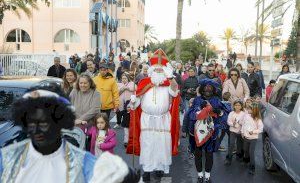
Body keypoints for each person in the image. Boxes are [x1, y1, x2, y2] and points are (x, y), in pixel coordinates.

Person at [0, 89, 140, 183]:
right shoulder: (7, 158)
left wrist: (125, 174)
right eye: (31, 124)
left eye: (43, 124)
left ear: (59, 123)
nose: (36, 130)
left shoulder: (82, 161)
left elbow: (115, 174)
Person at [127, 49, 180, 182]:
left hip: (163, 119)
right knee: (147, 144)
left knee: (162, 144)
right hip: (147, 119)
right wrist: (133, 101)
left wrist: (171, 77)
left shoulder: (168, 83)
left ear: (165, 71)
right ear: (151, 70)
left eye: (161, 70)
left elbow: (174, 91)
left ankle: (159, 168)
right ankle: (147, 170)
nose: (158, 72)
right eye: (156, 70)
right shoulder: (144, 83)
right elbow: (137, 101)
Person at [192, 79, 228, 183]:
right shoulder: (197, 100)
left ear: (213, 90)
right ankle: (199, 175)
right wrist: (200, 110)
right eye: (206, 88)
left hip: (211, 132)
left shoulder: (216, 100)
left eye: (210, 88)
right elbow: (192, 114)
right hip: (198, 132)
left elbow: (223, 114)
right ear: (202, 89)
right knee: (198, 154)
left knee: (209, 154)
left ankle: (207, 176)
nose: (208, 90)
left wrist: (219, 112)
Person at [241, 103, 263, 175]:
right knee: (245, 150)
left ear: (254, 110)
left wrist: (253, 132)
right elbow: (243, 124)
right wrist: (242, 132)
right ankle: (246, 160)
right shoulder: (246, 116)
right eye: (248, 108)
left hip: (253, 138)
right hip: (246, 137)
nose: (248, 110)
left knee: (251, 152)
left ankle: (252, 167)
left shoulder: (258, 120)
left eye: (250, 109)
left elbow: (261, 129)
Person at [224, 100, 246, 165]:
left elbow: (245, 122)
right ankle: (229, 158)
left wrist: (240, 122)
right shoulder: (231, 113)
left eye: (239, 105)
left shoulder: (243, 114)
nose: (237, 106)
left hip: (240, 132)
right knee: (231, 144)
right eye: (236, 105)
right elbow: (228, 121)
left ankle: (239, 156)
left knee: (239, 145)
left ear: (241, 106)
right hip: (233, 131)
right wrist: (232, 124)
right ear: (234, 106)